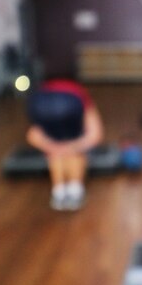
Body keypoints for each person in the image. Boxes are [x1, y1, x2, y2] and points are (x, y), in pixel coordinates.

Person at [25, 79, 103, 210]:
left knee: (57, 152)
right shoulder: (79, 94)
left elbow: (32, 135)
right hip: (69, 100)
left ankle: (59, 193)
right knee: (73, 153)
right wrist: (72, 147)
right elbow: (95, 135)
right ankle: (75, 191)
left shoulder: (40, 94)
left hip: (41, 101)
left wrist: (54, 148)